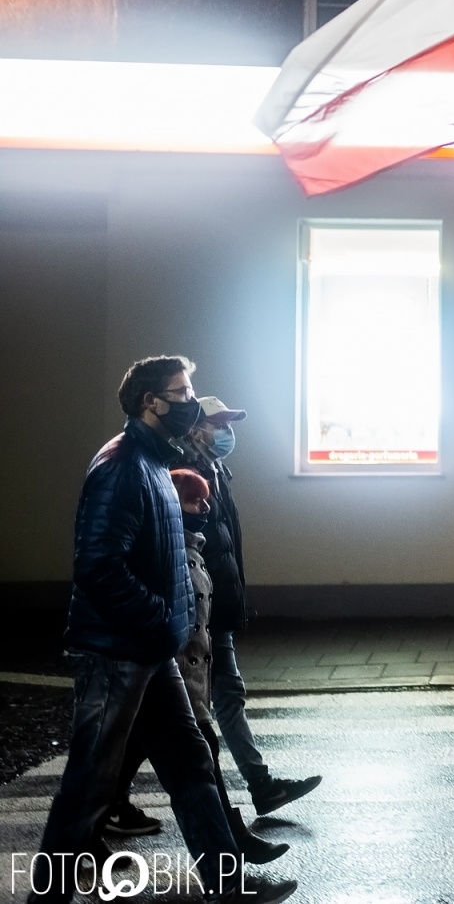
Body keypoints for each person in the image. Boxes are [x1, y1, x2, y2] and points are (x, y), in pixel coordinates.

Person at [29, 356, 293, 904]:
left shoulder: (152, 461)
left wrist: (164, 628)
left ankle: (227, 884)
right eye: (182, 391)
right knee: (88, 786)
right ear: (152, 400)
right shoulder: (122, 466)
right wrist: (156, 617)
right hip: (117, 653)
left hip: (151, 652)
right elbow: (98, 565)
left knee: (192, 762)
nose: (191, 401)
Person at [106, 469, 289, 865]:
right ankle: (229, 858)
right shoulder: (168, 559)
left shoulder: (191, 553)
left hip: (176, 684)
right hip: (167, 682)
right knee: (199, 761)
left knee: (116, 763)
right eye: (195, 501)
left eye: (207, 500)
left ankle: (85, 829)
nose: (204, 508)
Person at [180, 396, 322, 817]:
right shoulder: (189, 476)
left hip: (215, 604)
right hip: (200, 606)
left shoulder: (217, 471)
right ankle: (243, 795)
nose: (226, 431)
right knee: (186, 710)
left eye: (228, 422)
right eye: (217, 423)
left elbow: (225, 550)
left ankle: (260, 786)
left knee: (220, 698)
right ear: (196, 428)